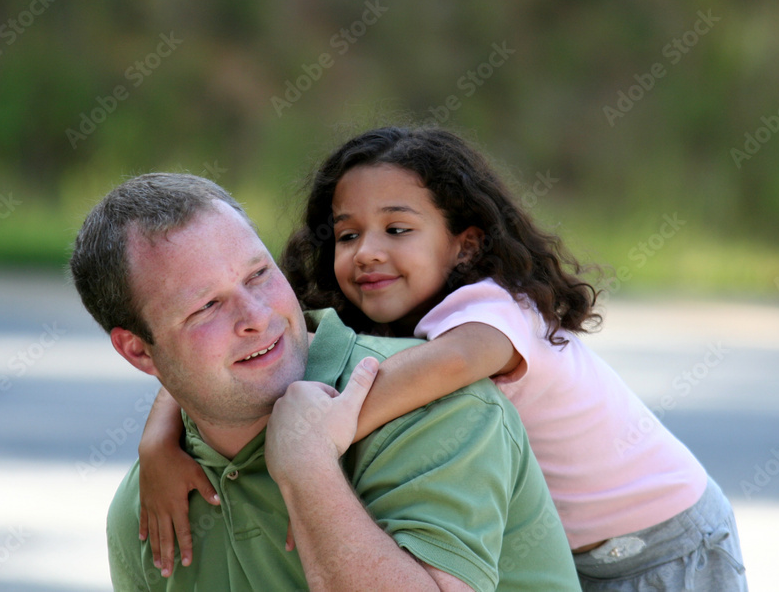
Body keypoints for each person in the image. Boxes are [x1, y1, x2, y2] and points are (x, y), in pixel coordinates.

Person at [140, 127, 749, 591]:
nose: (367, 252)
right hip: (571, 552)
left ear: (465, 244)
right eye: (348, 235)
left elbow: (431, 371)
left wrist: (304, 435)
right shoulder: (381, 316)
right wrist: (159, 442)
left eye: (398, 230)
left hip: (664, 547)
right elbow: (244, 343)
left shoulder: (491, 316)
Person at [70, 172, 581, 591]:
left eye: (258, 276)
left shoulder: (443, 411)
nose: (257, 316)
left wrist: (308, 469)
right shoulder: (148, 512)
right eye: (206, 306)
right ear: (137, 349)